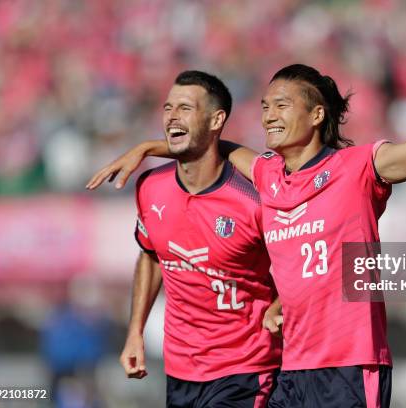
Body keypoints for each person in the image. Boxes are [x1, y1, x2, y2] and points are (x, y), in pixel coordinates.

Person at [88, 47, 406, 407]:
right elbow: (209, 144)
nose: (268, 116)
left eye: (281, 105)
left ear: (317, 115)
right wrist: (150, 146)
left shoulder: (357, 168)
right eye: (264, 107)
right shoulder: (266, 174)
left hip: (351, 368)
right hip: (293, 371)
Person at [106, 70, 281, 407]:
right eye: (168, 107)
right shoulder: (150, 187)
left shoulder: (253, 200)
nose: (172, 116)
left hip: (245, 368)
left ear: (217, 120)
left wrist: (279, 306)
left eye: (185, 108)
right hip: (181, 370)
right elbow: (151, 256)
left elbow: (298, 262)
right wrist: (135, 332)